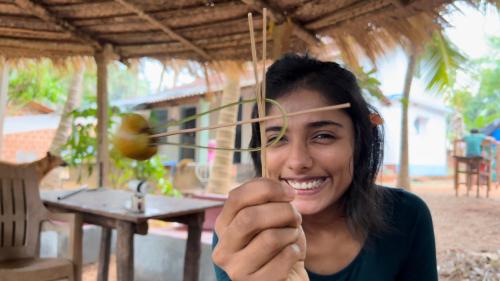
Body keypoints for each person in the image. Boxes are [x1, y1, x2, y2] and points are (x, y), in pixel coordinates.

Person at [212, 54, 437, 281]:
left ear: (358, 142)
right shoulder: (242, 230)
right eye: (276, 138)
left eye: (323, 136)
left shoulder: (407, 217)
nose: (298, 161)